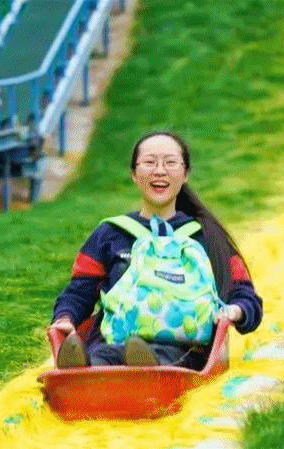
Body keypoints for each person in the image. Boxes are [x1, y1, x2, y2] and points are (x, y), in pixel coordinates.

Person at [49, 130, 263, 369]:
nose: (160, 171)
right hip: (113, 342)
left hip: (184, 348)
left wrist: (235, 311)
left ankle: (137, 366)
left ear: (185, 173)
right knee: (106, 354)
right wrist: (65, 317)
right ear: (134, 173)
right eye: (150, 162)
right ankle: (85, 367)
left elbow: (246, 296)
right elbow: (79, 291)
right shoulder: (110, 234)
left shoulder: (207, 237)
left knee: (162, 355)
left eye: (170, 162)